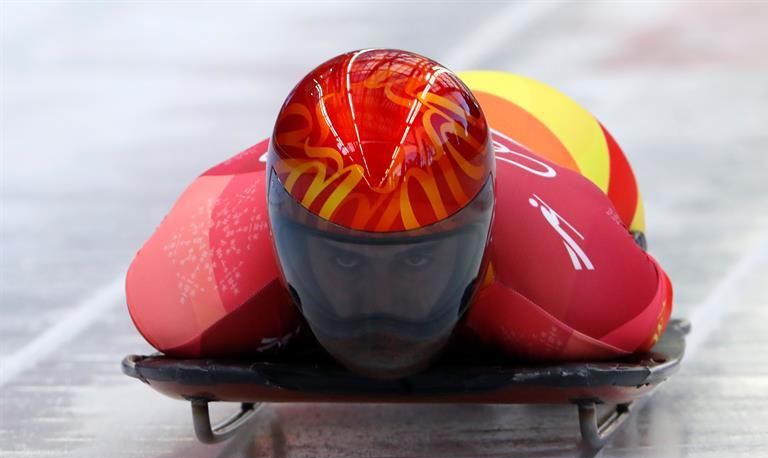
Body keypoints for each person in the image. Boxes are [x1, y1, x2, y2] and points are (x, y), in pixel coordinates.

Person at [125, 49, 672, 379]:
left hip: (554, 136)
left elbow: (646, 302)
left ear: (484, 233)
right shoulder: (188, 285)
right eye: (345, 262)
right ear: (278, 232)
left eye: (413, 263)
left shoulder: (594, 297)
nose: (378, 305)